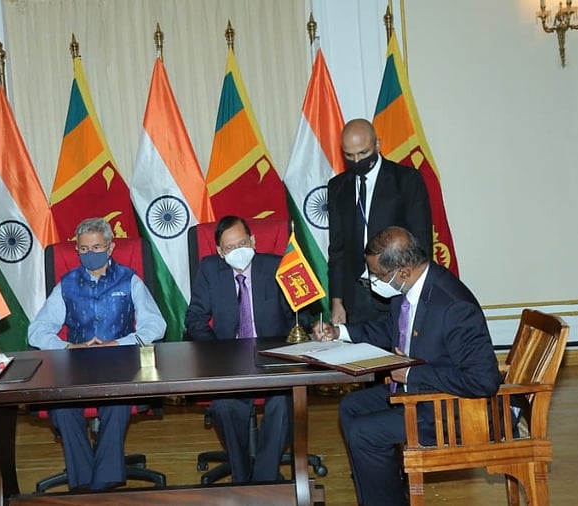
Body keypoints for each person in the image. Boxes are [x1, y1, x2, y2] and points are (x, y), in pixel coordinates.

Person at [312, 226, 501, 506]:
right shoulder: (409, 287)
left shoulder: (453, 307)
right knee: (351, 408)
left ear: (402, 271)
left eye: (377, 275)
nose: (373, 280)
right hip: (419, 392)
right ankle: (383, 496)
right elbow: (389, 327)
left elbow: (484, 379)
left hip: (448, 410)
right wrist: (341, 333)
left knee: (365, 433)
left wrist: (412, 373)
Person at [27, 217, 166, 491]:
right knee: (64, 408)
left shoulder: (130, 280)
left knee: (116, 403)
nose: (90, 254)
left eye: (97, 248)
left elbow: (156, 325)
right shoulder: (67, 284)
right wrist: (68, 347)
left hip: (120, 363)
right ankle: (82, 486)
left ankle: (101, 484)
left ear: (110, 247)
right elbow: (37, 331)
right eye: (84, 249)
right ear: (76, 249)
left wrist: (120, 343)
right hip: (76, 366)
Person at [184, 215, 295, 483]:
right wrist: (219, 353)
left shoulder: (276, 266)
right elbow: (194, 319)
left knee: (284, 401)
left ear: (253, 241)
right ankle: (242, 477)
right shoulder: (210, 269)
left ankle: (265, 478)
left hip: (272, 358)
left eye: (242, 243)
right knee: (224, 406)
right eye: (230, 247)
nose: (238, 251)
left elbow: (298, 316)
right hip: (230, 360)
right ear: (221, 252)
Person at [327, 118, 432, 325]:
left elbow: (422, 243)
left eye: (363, 153)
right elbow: (337, 249)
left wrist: (415, 292)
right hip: (356, 296)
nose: (356, 160)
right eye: (349, 155)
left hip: (397, 290)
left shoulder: (406, 180)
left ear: (377, 145)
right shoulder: (337, 187)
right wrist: (337, 301)